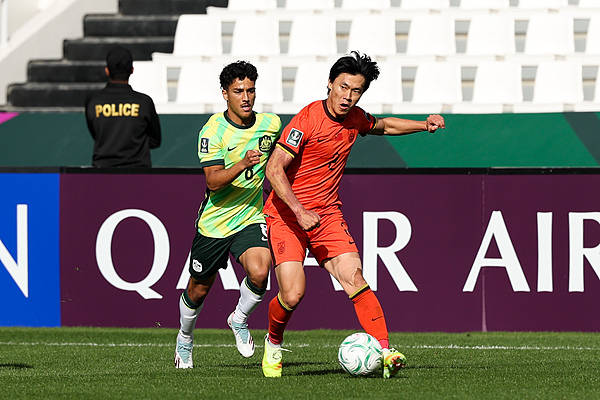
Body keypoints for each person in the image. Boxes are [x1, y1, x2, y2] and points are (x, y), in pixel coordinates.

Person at [261, 51, 445, 378]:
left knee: (355, 279)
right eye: (343, 87)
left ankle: (385, 352)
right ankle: (273, 342)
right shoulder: (306, 119)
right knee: (293, 293)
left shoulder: (355, 118)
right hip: (287, 215)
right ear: (330, 84)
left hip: (327, 216)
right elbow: (274, 169)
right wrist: (299, 211)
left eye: (356, 91)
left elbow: (384, 126)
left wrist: (423, 125)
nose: (348, 96)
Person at [174, 61, 282, 369]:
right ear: (225, 94)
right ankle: (184, 338)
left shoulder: (271, 124)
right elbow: (213, 181)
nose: (246, 97)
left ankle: (239, 319)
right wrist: (242, 164)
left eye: (251, 90)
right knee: (198, 290)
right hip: (215, 222)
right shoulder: (213, 131)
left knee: (260, 272)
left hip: (250, 215)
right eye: (238, 91)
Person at [85, 46, 161, 167]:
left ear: (107, 71)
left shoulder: (93, 101)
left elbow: (96, 134)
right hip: (138, 172)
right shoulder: (144, 102)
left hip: (102, 171)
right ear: (132, 70)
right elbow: (155, 140)